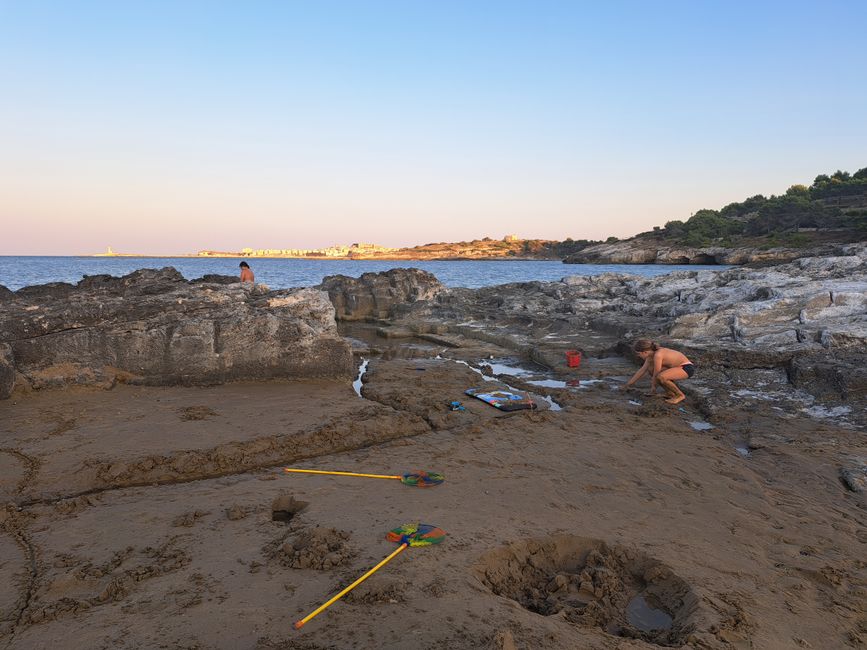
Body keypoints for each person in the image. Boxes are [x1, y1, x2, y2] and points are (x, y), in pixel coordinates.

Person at [622, 339, 695, 405]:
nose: (638, 356)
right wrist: (628, 384)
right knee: (651, 369)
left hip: (686, 368)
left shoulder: (658, 355)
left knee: (661, 377)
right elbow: (642, 370)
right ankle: (670, 393)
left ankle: (680, 395)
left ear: (645, 352)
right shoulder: (650, 355)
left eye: (638, 354)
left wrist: (653, 389)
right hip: (676, 368)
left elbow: (656, 373)